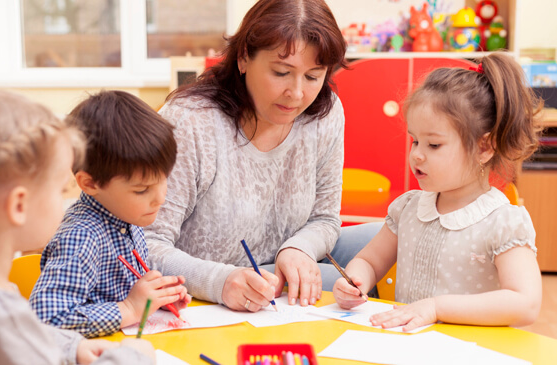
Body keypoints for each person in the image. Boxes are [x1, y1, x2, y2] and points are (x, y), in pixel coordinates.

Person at [144, 0, 382, 312]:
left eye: (313, 76)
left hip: (278, 262)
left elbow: (325, 218)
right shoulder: (191, 121)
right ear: (243, 58)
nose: (297, 93)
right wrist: (220, 281)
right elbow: (144, 244)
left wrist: (298, 248)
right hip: (216, 280)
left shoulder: (325, 113)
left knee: (389, 235)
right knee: (336, 283)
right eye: (282, 72)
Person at [0, 89, 155, 364]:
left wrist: (72, 346)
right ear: (19, 206)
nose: (65, 202)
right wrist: (133, 357)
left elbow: (23, 338)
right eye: (62, 190)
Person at [333, 52, 543, 331]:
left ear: (483, 148)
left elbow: (525, 303)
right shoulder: (408, 208)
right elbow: (370, 261)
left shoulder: (501, 222)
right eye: (415, 141)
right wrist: (356, 279)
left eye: (433, 145)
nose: (417, 155)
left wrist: (436, 306)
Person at [30, 90, 190, 338]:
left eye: (163, 180)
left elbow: (126, 293)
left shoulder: (126, 218)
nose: (159, 198)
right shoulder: (81, 238)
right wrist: (130, 309)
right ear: (90, 184)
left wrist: (155, 300)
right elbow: (47, 319)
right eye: (142, 189)